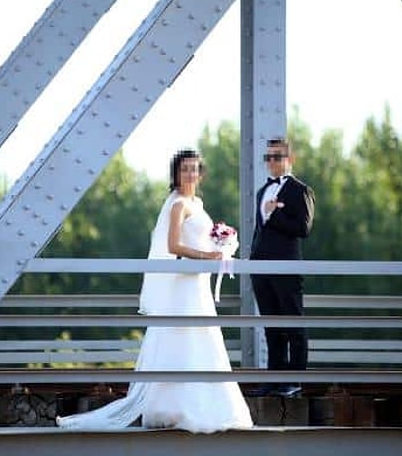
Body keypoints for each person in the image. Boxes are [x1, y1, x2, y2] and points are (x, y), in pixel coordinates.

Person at [56, 149, 253, 432]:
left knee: (203, 337)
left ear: (200, 173)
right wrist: (206, 256)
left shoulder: (198, 203)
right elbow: (173, 247)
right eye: (184, 169)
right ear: (176, 173)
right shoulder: (178, 205)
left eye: (194, 169)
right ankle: (173, 408)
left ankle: (209, 406)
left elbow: (200, 239)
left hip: (199, 284)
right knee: (181, 336)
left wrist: (222, 247)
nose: (190, 174)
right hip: (184, 281)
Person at [248, 137, 315, 398]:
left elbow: (304, 228)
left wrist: (276, 214)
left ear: (290, 159)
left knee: (293, 324)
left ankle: (294, 381)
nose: (272, 162)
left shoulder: (300, 190)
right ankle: (273, 381)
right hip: (260, 269)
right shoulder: (261, 191)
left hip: (286, 268)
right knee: (271, 327)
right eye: (268, 157)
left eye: (277, 156)